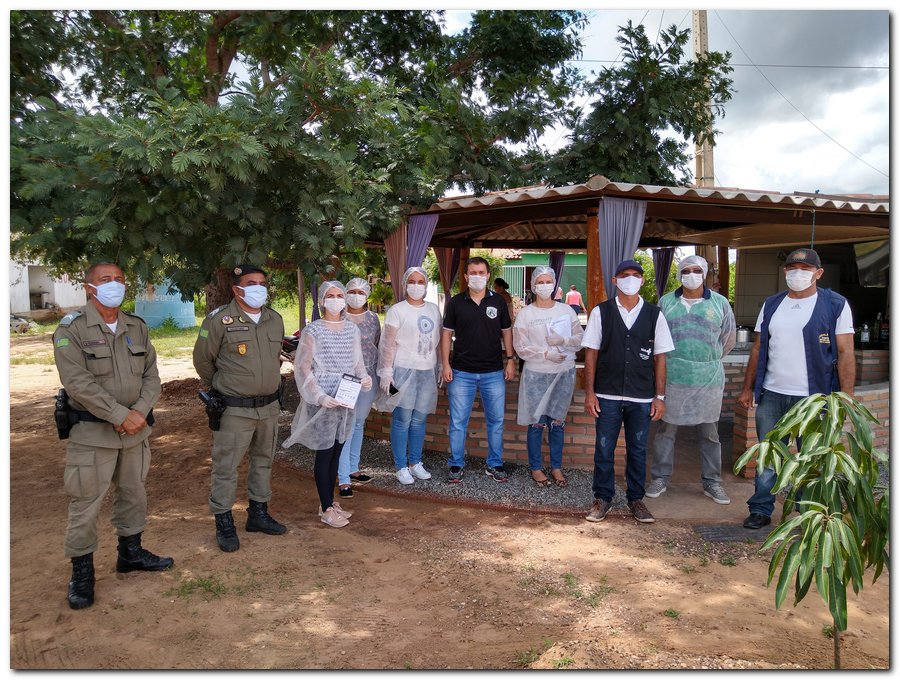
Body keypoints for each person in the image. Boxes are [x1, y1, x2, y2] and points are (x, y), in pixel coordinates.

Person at [54, 262, 173, 610]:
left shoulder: (136, 326)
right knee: (86, 502)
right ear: (89, 287)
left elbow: (152, 375)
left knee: (134, 493)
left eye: (119, 279)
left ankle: (131, 553)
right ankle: (82, 573)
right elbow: (77, 382)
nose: (114, 285)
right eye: (105, 280)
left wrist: (138, 412)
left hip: (135, 433)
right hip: (93, 433)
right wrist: (121, 415)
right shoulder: (71, 329)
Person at [737, 248, 855, 530]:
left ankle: (806, 511)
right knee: (769, 454)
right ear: (785, 272)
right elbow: (758, 347)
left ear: (818, 273)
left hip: (813, 399)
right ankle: (761, 509)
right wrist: (747, 387)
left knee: (809, 457)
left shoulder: (835, 304)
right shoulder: (773, 304)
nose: (797, 273)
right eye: (792, 268)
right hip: (772, 394)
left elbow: (846, 351)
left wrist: (846, 397)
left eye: (804, 268)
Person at [193, 264, 287, 552]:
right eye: (251, 283)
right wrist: (222, 387)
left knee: (263, 462)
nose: (259, 288)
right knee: (226, 467)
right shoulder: (219, 321)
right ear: (236, 289)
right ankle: (223, 521)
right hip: (235, 409)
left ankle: (258, 514)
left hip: (269, 407)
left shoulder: (274, 319)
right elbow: (203, 361)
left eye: (262, 283)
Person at [582, 259, 674, 524]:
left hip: (642, 396)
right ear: (615, 280)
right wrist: (590, 392)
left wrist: (660, 397)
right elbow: (591, 353)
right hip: (607, 395)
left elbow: (661, 358)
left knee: (637, 449)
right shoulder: (602, 312)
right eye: (624, 275)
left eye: (635, 275)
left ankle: (636, 499)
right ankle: (602, 498)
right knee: (604, 449)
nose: (630, 279)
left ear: (642, 281)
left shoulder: (655, 314)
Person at [647, 255, 736, 505]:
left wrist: (706, 359)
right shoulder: (666, 302)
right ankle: (660, 477)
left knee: (710, 433)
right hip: (673, 377)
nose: (691, 274)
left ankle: (712, 482)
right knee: (666, 430)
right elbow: (657, 339)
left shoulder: (719, 303)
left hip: (707, 379)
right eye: (686, 270)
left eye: (697, 270)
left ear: (705, 273)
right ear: (679, 274)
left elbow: (728, 339)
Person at [282, 280, 372, 528]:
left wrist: (364, 377)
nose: (336, 300)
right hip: (324, 396)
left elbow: (357, 362)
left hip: (346, 395)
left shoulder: (351, 329)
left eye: (339, 295)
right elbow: (303, 367)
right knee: (325, 452)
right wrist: (318, 395)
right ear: (322, 301)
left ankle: (329, 502)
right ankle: (326, 506)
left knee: (337, 450)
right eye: (330, 295)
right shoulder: (314, 331)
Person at [441, 256, 515, 483]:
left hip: (493, 372)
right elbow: (446, 334)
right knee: (457, 422)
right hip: (461, 372)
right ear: (466, 277)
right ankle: (455, 464)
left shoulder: (498, 302)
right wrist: (445, 363)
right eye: (473, 273)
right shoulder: (455, 302)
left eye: (481, 273)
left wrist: (510, 359)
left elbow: (507, 332)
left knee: (496, 421)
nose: (477, 277)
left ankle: (494, 464)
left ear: (488, 276)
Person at [513, 266, 583, 487]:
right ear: (534, 285)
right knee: (536, 424)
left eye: (548, 281)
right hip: (536, 374)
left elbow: (580, 338)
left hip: (563, 373)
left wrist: (563, 342)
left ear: (554, 284)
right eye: (540, 282)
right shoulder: (526, 314)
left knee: (557, 423)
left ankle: (556, 467)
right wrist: (544, 353)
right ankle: (535, 467)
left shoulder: (566, 311)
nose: (544, 285)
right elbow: (519, 346)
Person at [376, 266, 443, 484]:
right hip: (403, 371)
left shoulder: (433, 309)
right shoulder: (398, 310)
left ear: (425, 285)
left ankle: (415, 462)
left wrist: (441, 364)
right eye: (412, 281)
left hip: (427, 371)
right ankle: (401, 466)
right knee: (403, 419)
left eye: (420, 281)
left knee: (419, 418)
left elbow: (438, 340)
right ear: (406, 284)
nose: (416, 286)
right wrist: (386, 372)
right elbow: (388, 344)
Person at [336, 277, 381, 498]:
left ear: (367, 295)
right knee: (346, 424)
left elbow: (378, 345)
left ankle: (353, 467)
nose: (356, 295)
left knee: (359, 423)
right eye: (352, 291)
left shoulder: (373, 318)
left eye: (361, 292)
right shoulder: (338, 316)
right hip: (345, 378)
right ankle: (343, 478)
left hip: (368, 378)